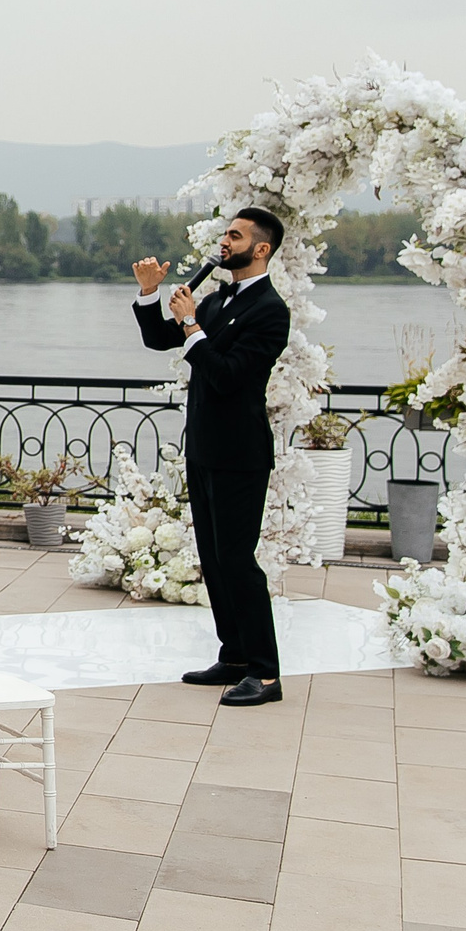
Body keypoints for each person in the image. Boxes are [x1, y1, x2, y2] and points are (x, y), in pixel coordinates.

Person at [135, 209, 293, 707]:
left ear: (261, 248)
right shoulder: (221, 296)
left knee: (239, 562)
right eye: (225, 233)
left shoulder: (269, 309)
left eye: (235, 235)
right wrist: (151, 296)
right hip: (204, 447)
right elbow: (161, 338)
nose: (224, 242)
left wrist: (190, 325)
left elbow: (227, 375)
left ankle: (266, 673)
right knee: (214, 559)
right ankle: (236, 656)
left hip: (241, 454)